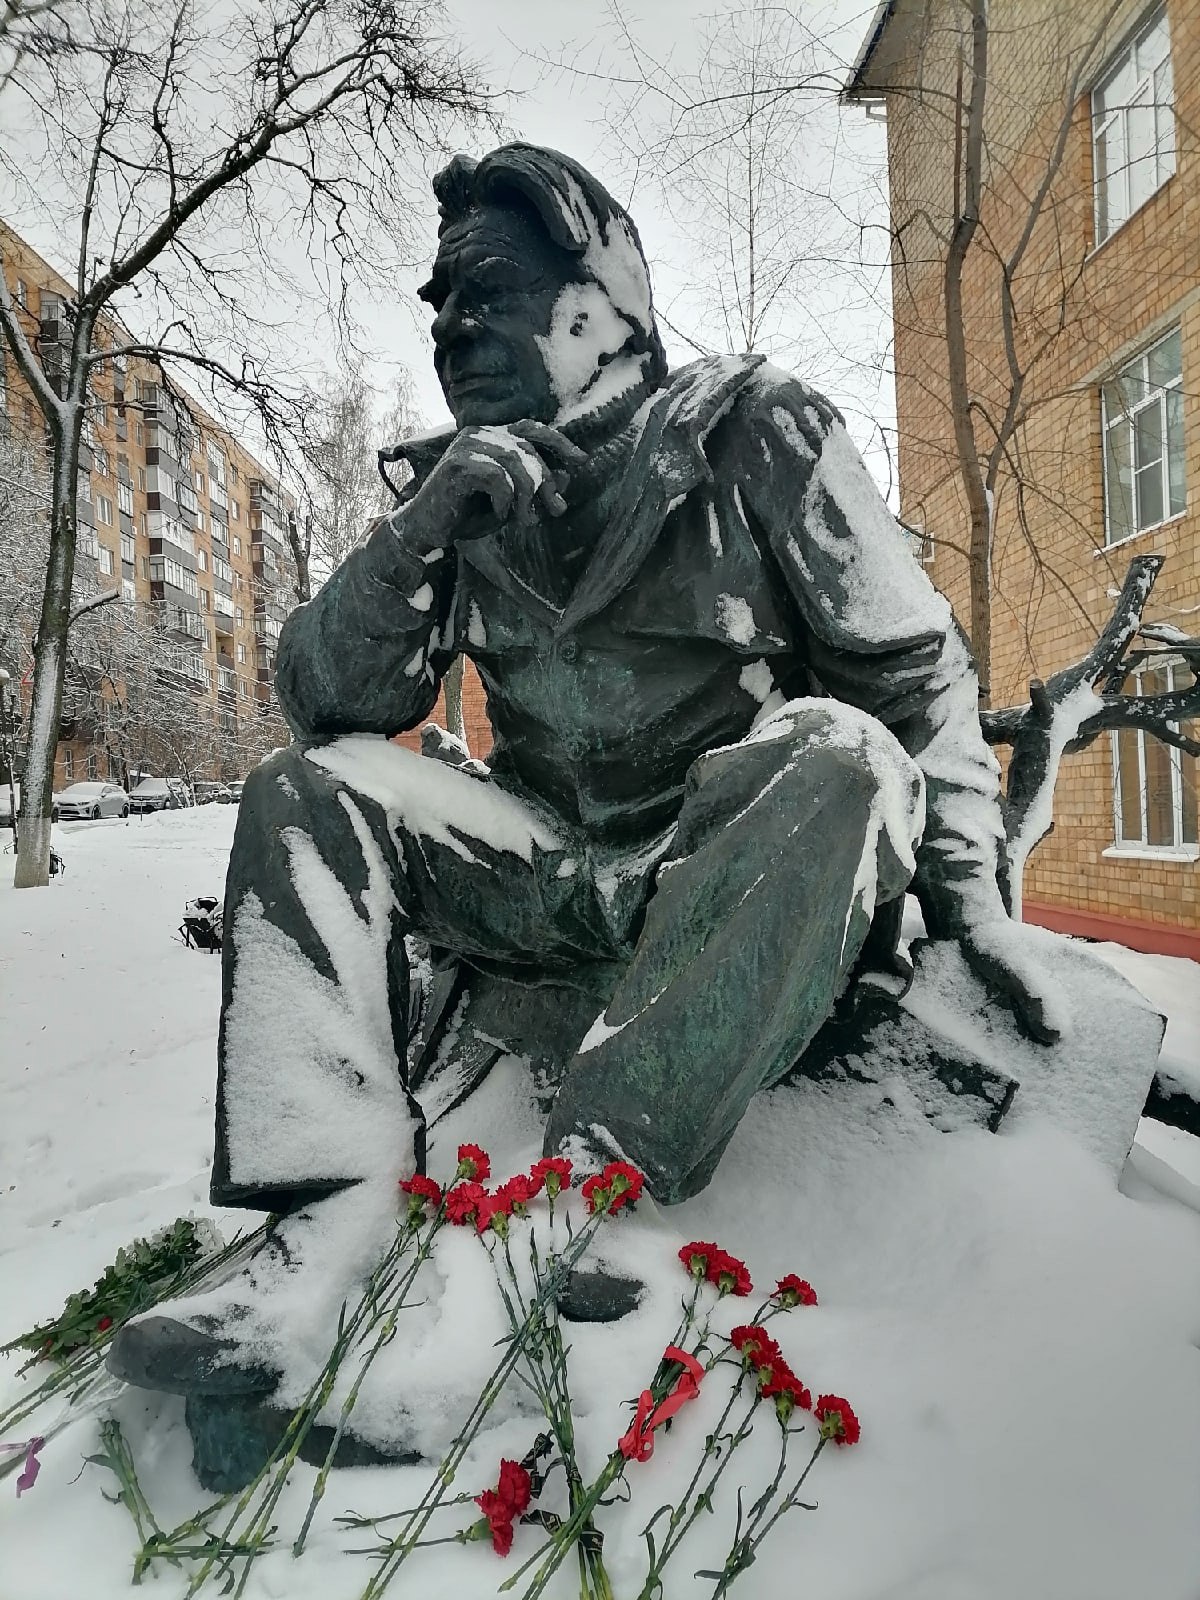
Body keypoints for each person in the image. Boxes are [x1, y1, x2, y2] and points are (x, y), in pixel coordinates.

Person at [109, 143, 1054, 1424]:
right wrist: (417, 534)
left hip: (725, 858)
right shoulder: (463, 485)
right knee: (308, 785)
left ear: (597, 305)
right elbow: (326, 707)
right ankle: (316, 1220)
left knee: (841, 755)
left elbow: (916, 679)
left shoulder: (755, 427)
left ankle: (586, 1183)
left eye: (483, 294)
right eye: (437, 304)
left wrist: (972, 898)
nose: (450, 329)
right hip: (550, 868)